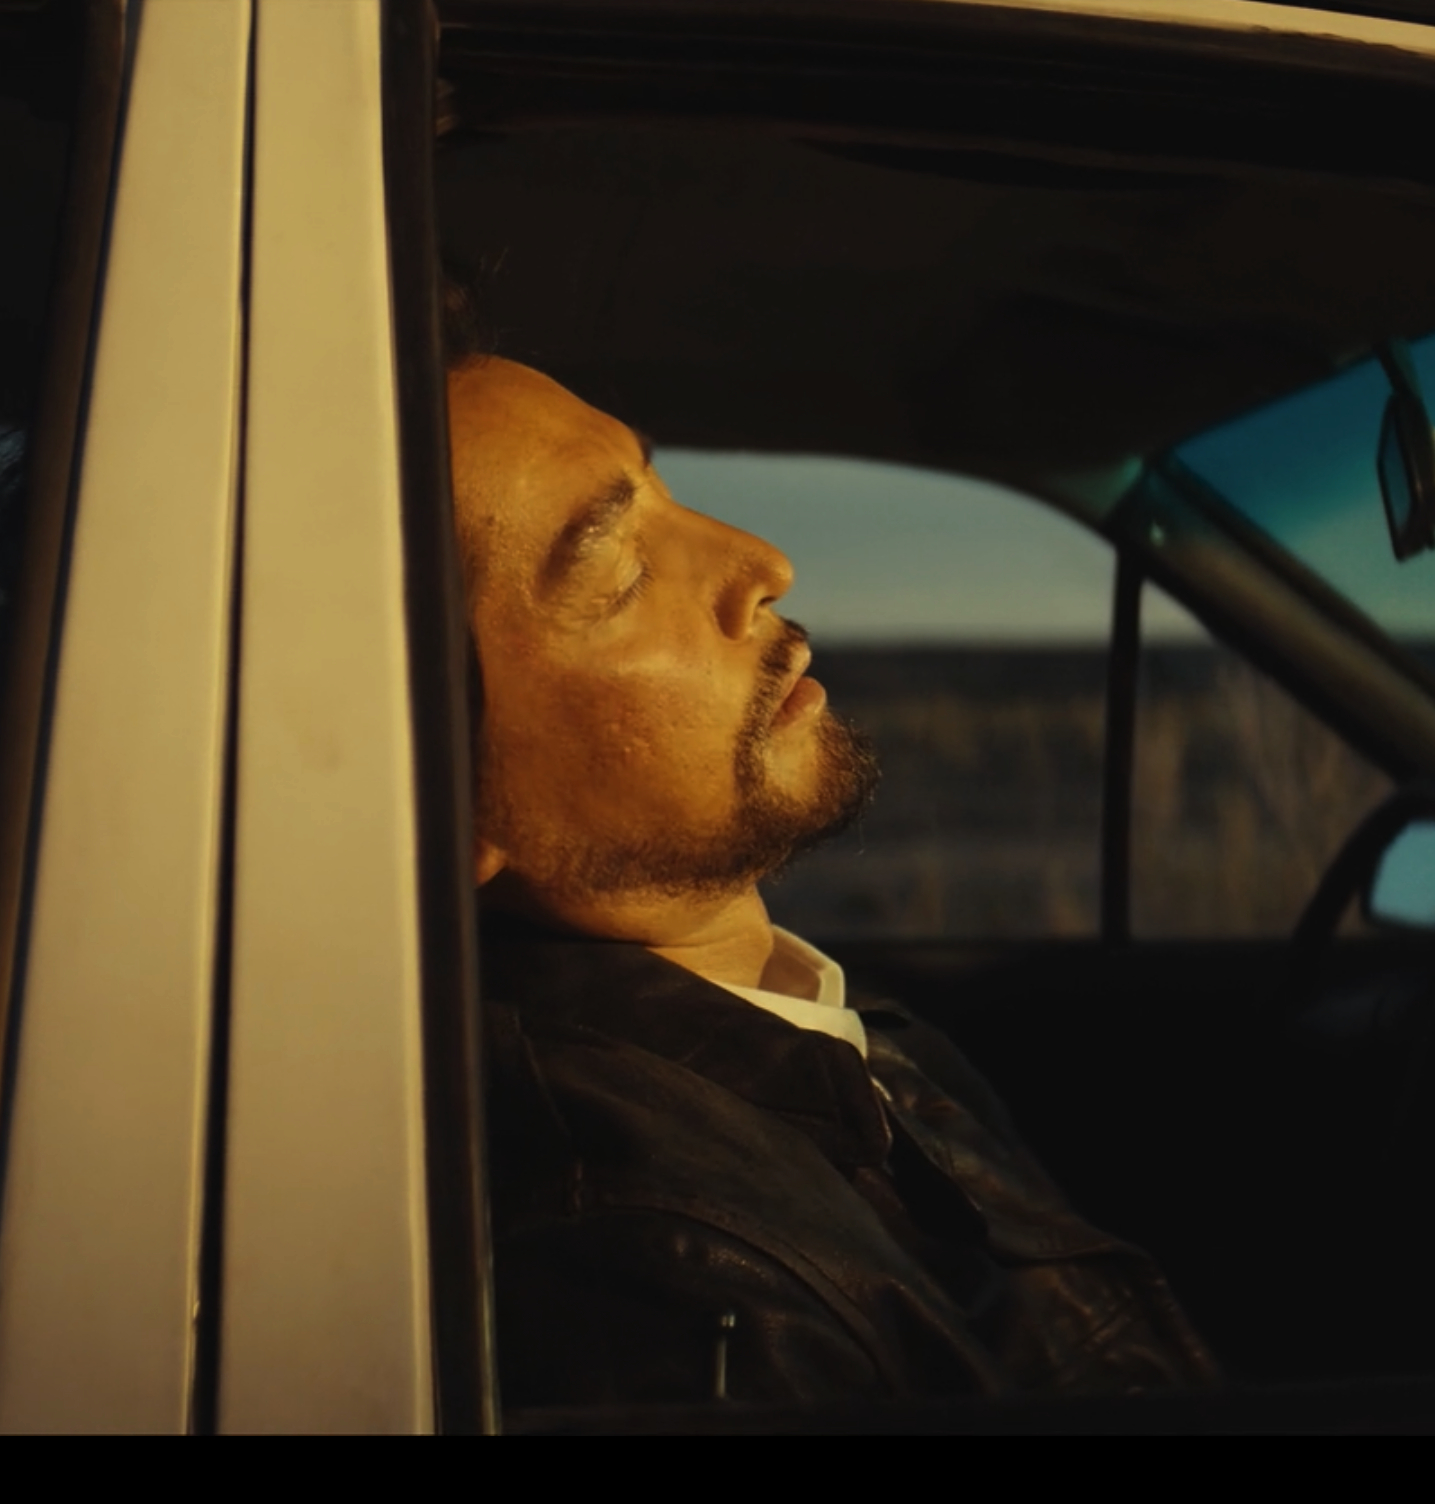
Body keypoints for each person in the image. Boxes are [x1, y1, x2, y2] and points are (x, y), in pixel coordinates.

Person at [448, 353, 1219, 1405]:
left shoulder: (797, 1043)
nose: (761, 561)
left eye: (662, 490)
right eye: (615, 569)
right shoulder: (657, 1275)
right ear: (442, 791)